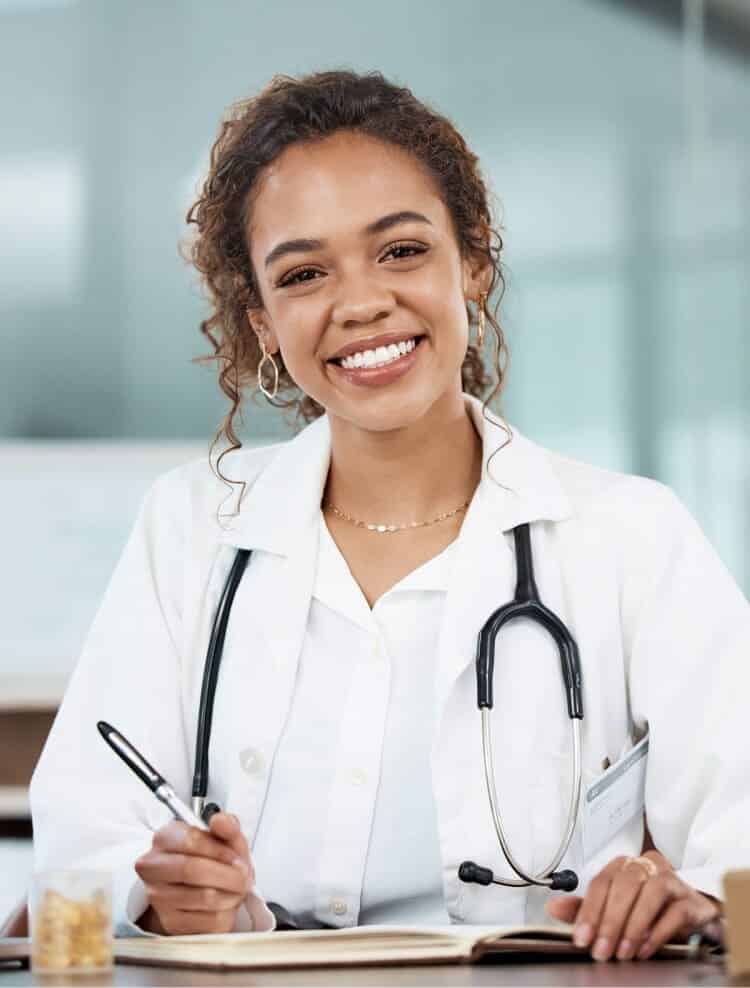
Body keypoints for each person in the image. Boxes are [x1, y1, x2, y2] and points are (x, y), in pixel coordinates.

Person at [30, 69, 749, 963]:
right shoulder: (191, 529)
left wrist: (685, 898)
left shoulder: (633, 537)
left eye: (401, 251)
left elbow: (742, 841)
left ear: (474, 262)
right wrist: (174, 901)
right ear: (262, 322)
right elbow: (81, 843)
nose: (362, 301)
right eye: (303, 273)